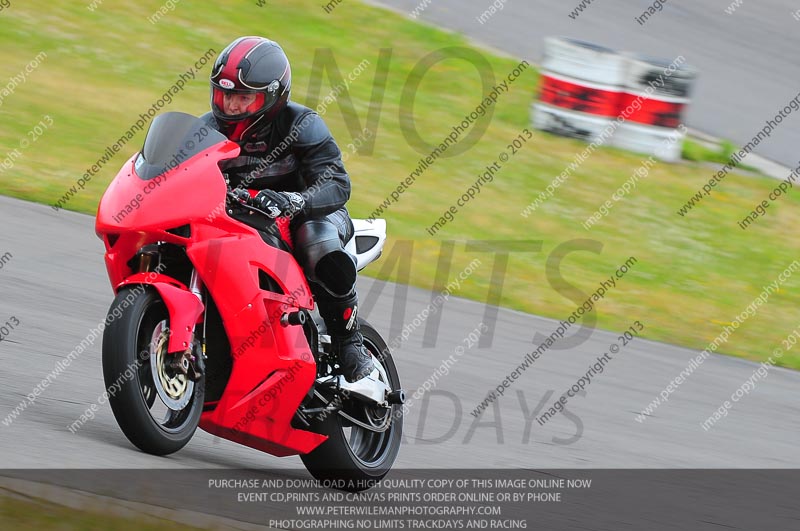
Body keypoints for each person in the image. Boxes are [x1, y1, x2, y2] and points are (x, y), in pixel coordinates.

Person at [202, 36, 373, 383]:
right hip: (245, 217)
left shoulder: (301, 124)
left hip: (312, 212)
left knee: (315, 239)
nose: (232, 106)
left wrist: (296, 201)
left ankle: (349, 342)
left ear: (273, 96)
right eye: (225, 95)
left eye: (243, 97)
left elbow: (338, 183)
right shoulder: (205, 130)